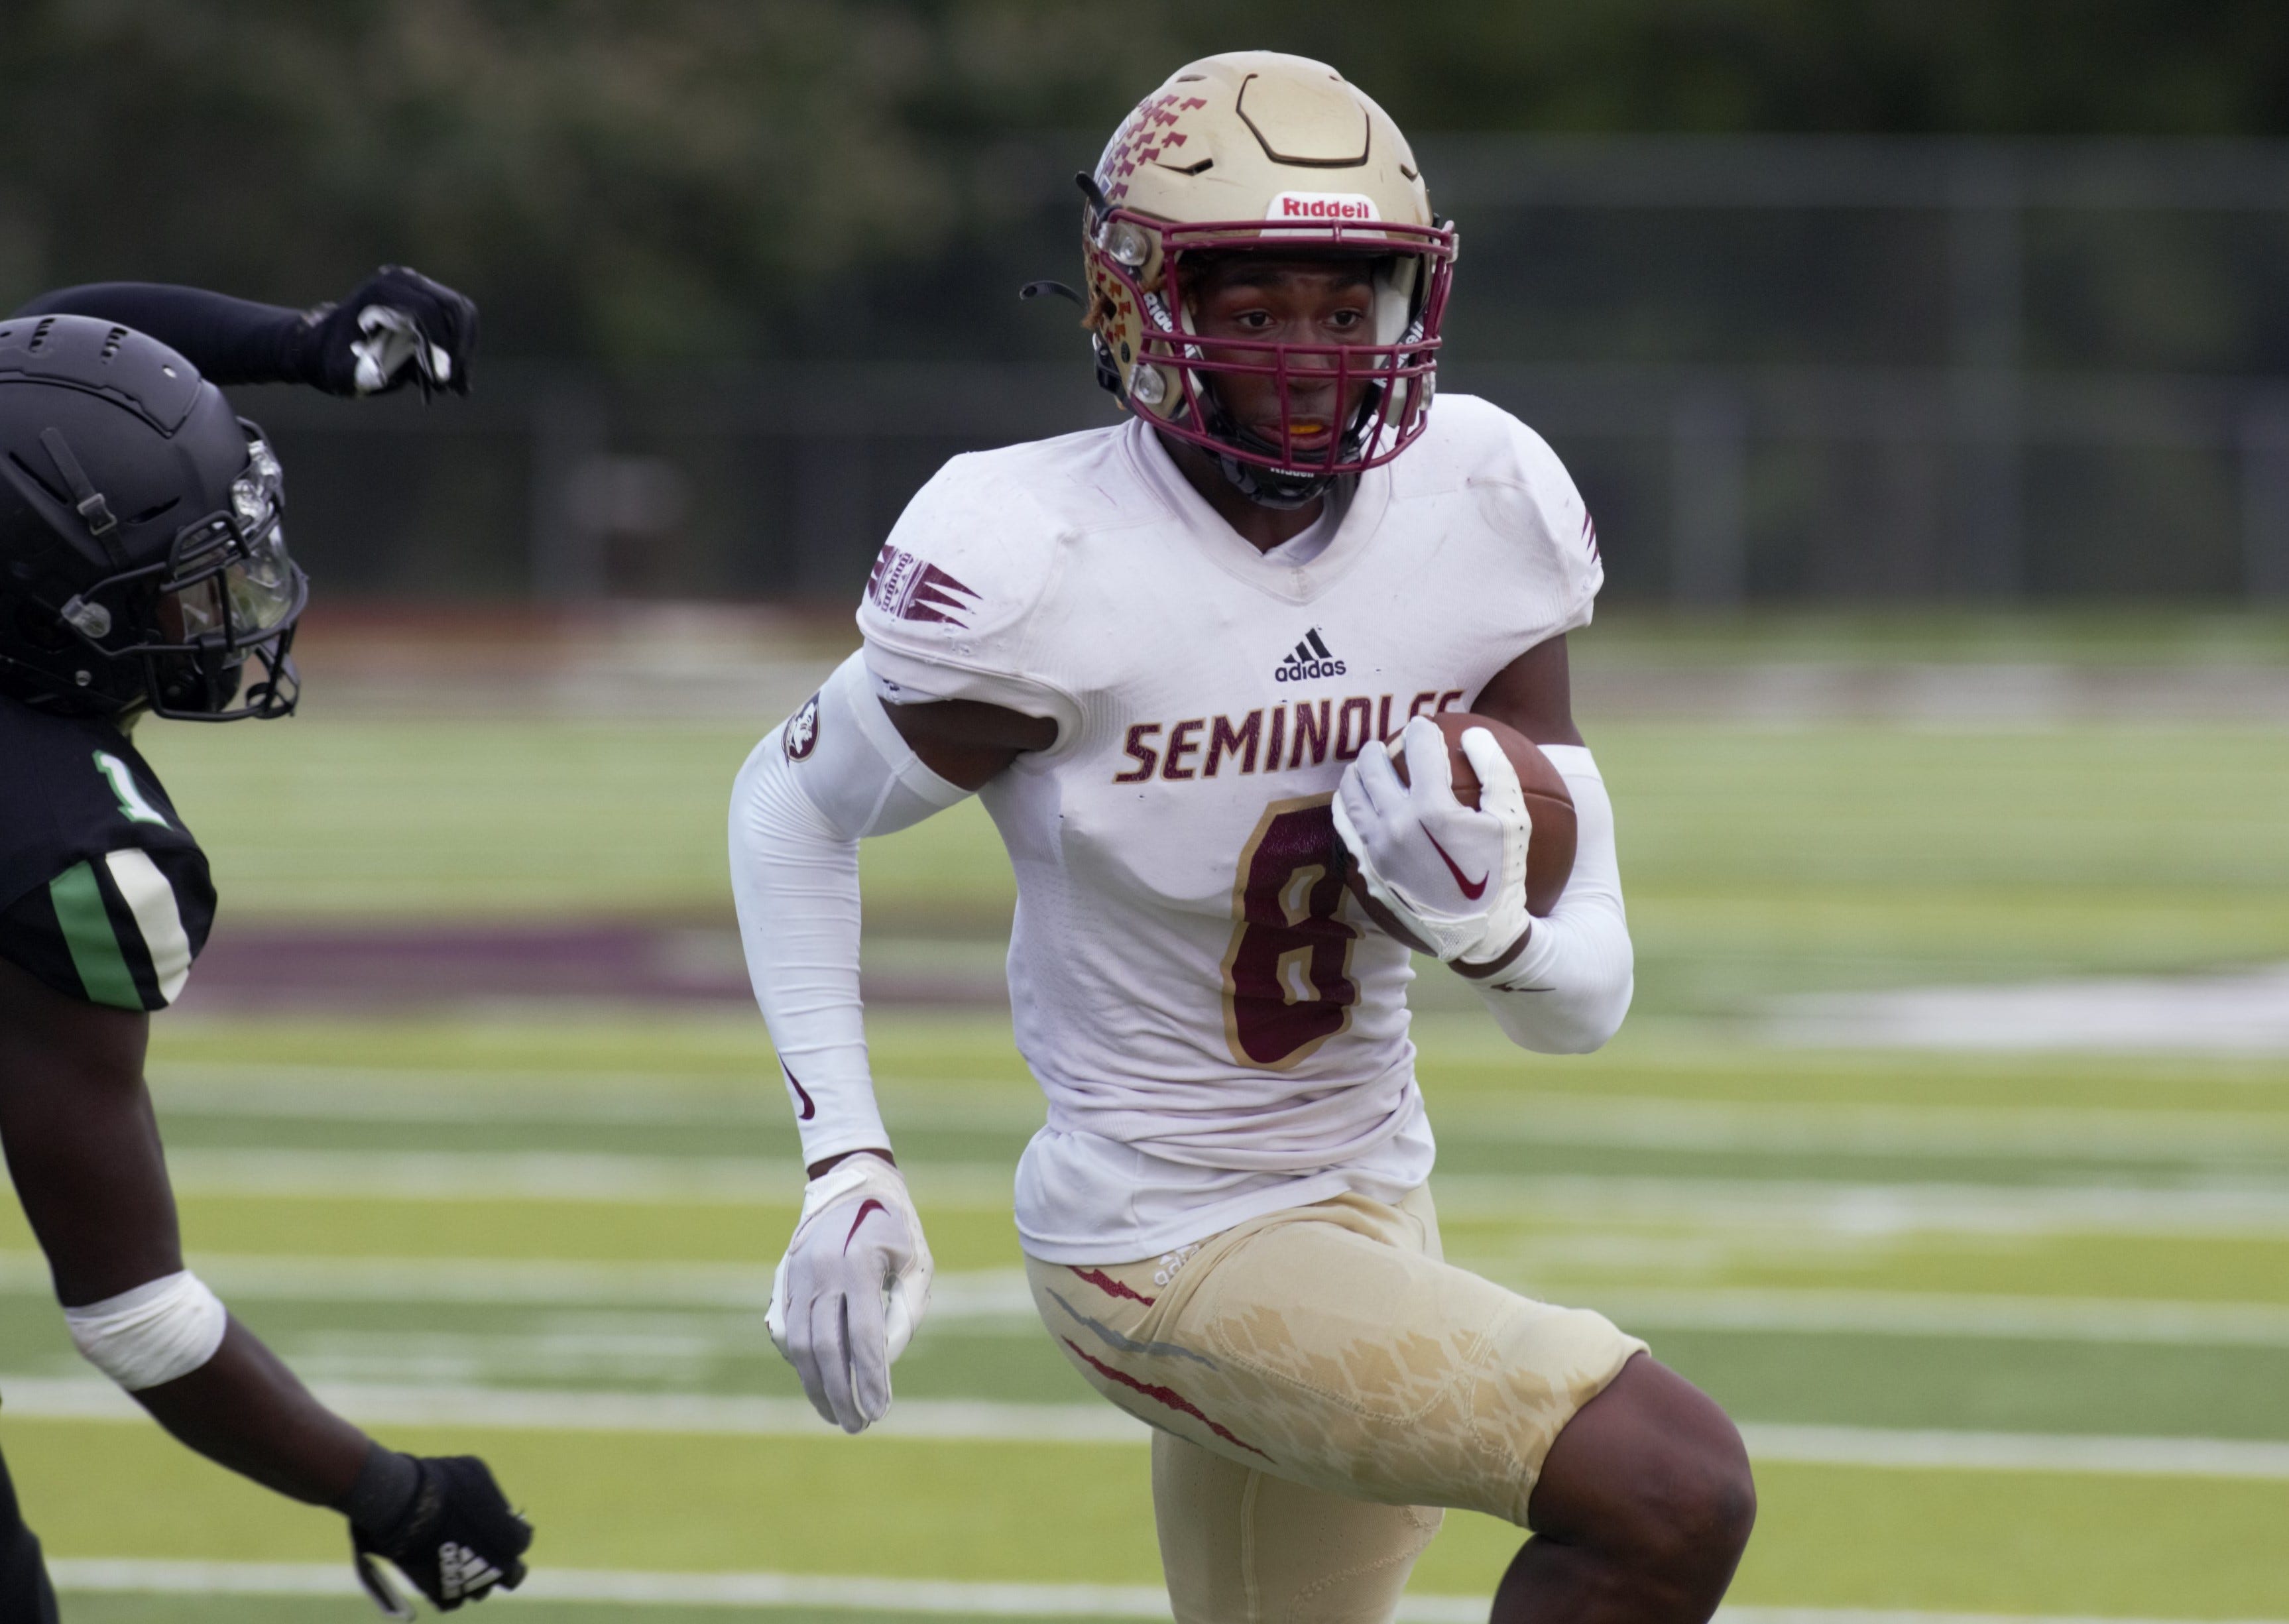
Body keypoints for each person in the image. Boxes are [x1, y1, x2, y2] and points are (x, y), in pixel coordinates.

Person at [731, 52, 1754, 1624]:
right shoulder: (1039, 557)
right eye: (1254, 305)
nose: (1304, 356)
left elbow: (1585, 1003)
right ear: (1129, 298)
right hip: (1154, 1233)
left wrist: (1493, 934)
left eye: (1344, 312)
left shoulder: (1483, 499)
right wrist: (843, 1158)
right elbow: (790, 807)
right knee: (1673, 1490)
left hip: (1368, 1187)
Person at [0, 271, 530, 1619]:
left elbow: (51, 338)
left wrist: (292, 348)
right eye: (176, 583)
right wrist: (395, 1493)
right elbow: (136, 1319)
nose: (223, 604)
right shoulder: (76, 850)